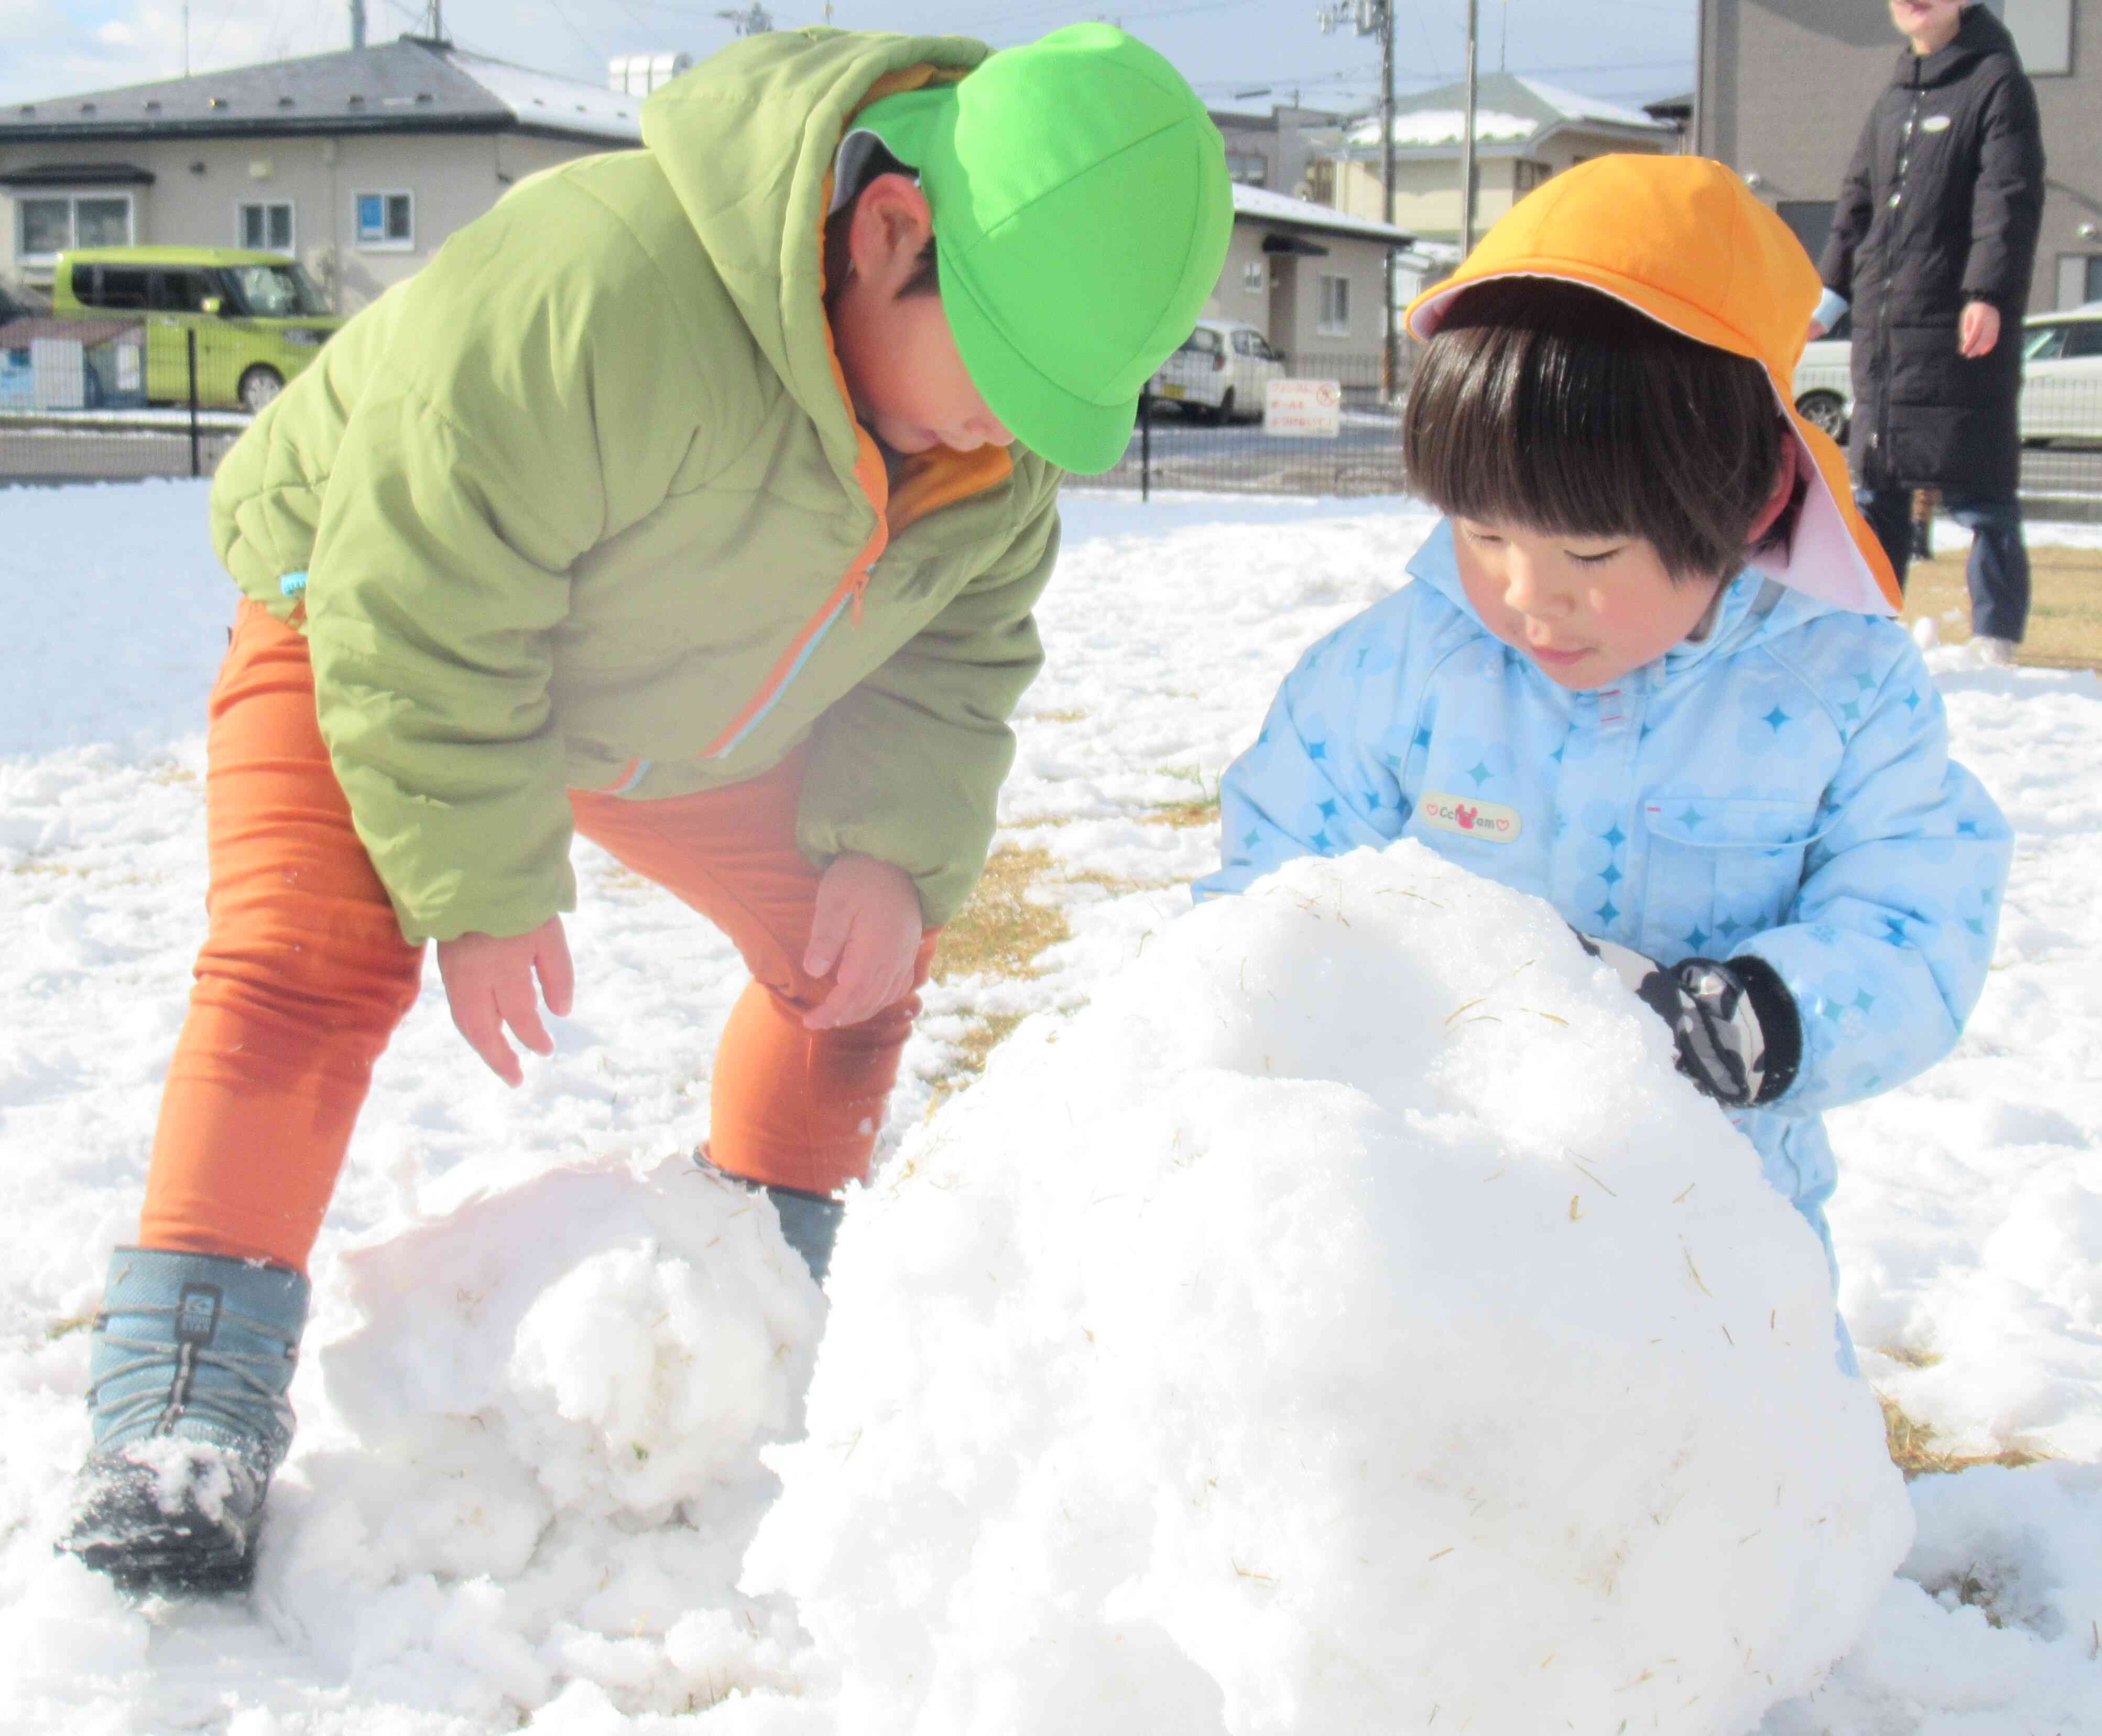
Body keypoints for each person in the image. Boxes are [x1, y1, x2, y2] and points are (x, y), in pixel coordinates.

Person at [60, 21, 1231, 1594]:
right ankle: (180, 1406)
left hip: (665, 701)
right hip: (366, 611)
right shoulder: (595, 288)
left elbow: (959, 653)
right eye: (1000, 383)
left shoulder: (983, 463)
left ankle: (752, 1318)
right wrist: (481, 887)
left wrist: (886, 853)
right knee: (309, 951)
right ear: (893, 233)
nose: (1004, 441)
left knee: (851, 968)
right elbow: (418, 592)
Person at [1196, 155, 2011, 1362]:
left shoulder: (1839, 686)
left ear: (1744, 500)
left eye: (1589, 553)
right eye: (1483, 534)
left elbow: (1917, 909)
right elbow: (1271, 888)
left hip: (1723, 1239)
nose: (1530, 599)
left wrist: (1764, 1015)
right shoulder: (1401, 669)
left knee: (1739, 1517)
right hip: (1447, 1222)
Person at [1813, 0, 2046, 664]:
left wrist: (1988, 293)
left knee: (1981, 491)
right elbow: (1854, 207)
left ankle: (1994, 639)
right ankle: (1871, 630)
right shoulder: (1893, 97)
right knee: (1877, 486)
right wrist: (1828, 300)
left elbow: (2009, 195)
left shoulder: (1997, 81)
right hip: (1884, 337)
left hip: (1956, 327)